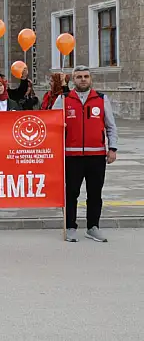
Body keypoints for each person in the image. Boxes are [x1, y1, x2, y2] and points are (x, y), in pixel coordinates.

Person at [50, 66, 118, 243]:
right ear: (73, 80)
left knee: (95, 193)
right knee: (71, 193)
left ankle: (93, 227)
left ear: (91, 79)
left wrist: (113, 148)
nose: (83, 79)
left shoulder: (102, 99)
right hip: (71, 156)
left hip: (96, 156)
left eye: (86, 76)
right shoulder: (63, 99)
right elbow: (52, 124)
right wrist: (58, 128)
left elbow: (111, 126)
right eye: (79, 76)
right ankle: (70, 226)